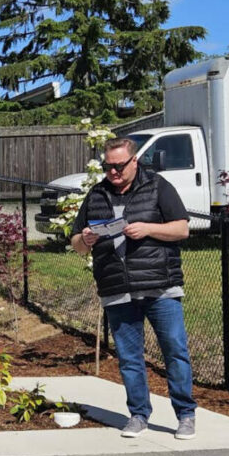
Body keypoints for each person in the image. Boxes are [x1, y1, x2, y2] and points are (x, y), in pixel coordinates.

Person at [71, 137, 197, 440]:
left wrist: (148, 228)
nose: (113, 172)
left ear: (134, 161)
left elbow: (182, 228)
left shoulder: (157, 186)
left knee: (175, 352)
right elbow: (76, 244)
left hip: (159, 287)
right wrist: (85, 240)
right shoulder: (97, 194)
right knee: (129, 358)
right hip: (117, 290)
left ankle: (185, 415)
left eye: (119, 166)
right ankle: (138, 415)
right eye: (108, 166)